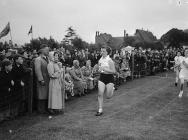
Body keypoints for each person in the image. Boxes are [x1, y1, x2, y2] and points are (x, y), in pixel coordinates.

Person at [95, 45, 116, 116]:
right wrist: (99, 70)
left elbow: (113, 71)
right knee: (100, 93)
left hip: (110, 78)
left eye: (103, 51)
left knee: (108, 96)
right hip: (102, 78)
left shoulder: (110, 61)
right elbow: (99, 69)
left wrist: (104, 69)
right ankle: (100, 109)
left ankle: (112, 88)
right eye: (101, 51)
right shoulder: (100, 60)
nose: (102, 52)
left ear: (107, 52)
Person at [34, 44, 50, 113]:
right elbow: (37, 70)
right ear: (42, 50)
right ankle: (40, 110)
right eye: (47, 50)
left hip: (47, 79)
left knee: (46, 94)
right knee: (41, 94)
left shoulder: (47, 58)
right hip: (42, 80)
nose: (48, 51)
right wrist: (41, 79)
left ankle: (45, 108)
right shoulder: (38, 59)